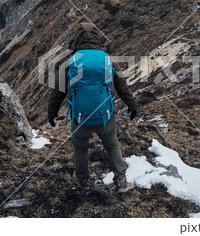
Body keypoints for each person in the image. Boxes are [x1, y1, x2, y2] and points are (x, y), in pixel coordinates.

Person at [48, 22, 138, 194]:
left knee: (81, 148)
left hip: (80, 117)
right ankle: (121, 181)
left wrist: (51, 114)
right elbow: (122, 86)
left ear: (77, 39)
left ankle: (84, 181)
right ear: (97, 39)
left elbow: (57, 93)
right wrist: (132, 106)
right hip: (106, 116)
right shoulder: (107, 60)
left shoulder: (70, 62)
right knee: (112, 146)